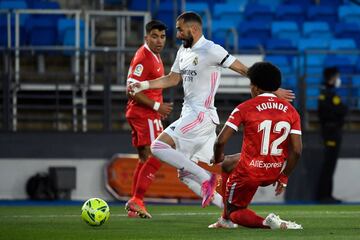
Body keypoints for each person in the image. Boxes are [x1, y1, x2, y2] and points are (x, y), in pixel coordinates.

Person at [128, 12, 294, 215]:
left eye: (180, 29)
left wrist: (271, 89)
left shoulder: (212, 49)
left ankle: (208, 178)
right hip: (193, 117)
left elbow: (243, 70)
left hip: (201, 115)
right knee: (186, 175)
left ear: (194, 29)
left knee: (158, 146)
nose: (178, 34)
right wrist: (142, 85)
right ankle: (229, 214)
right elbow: (172, 79)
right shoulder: (184, 50)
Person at [208, 62, 303, 230]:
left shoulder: (244, 108)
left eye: (250, 84)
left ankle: (267, 223)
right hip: (274, 170)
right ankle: (224, 220)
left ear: (256, 88)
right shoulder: (291, 111)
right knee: (229, 163)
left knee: (235, 212)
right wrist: (284, 176)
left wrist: (216, 158)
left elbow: (220, 141)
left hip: (250, 172)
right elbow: (296, 150)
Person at [125, 20, 173, 218]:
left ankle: (135, 204)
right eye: (154, 36)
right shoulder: (144, 57)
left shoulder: (154, 55)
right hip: (144, 114)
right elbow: (131, 89)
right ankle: (137, 200)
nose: (159, 40)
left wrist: (157, 107)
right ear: (146, 37)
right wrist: (157, 106)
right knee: (156, 155)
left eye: (162, 36)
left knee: (144, 158)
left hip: (145, 114)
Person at [316, 67, 347, 204]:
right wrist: (338, 109)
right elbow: (336, 111)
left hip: (334, 131)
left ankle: (327, 194)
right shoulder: (327, 94)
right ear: (333, 77)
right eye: (337, 76)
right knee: (328, 164)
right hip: (330, 133)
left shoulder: (330, 93)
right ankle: (324, 195)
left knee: (330, 164)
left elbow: (341, 110)